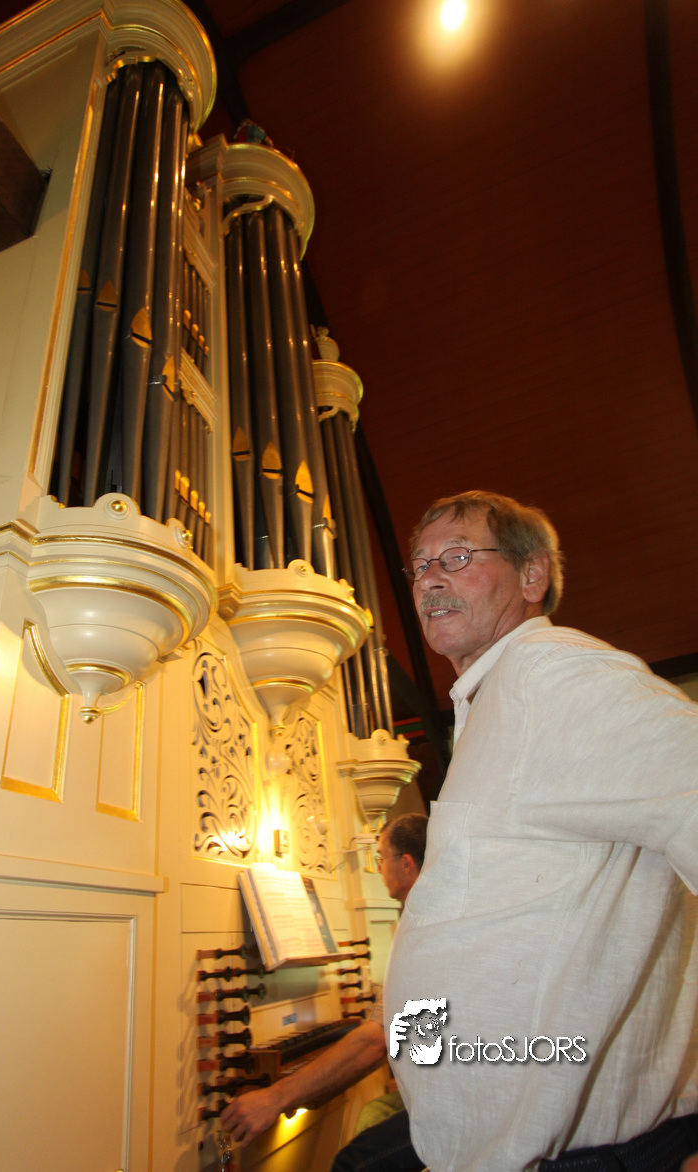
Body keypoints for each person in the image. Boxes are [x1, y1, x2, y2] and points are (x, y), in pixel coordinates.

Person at [385, 490, 698, 1172]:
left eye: (458, 557)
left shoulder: (549, 673)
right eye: (419, 565)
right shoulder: (492, 700)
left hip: (589, 1156)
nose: (429, 580)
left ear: (533, 576)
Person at [220, 813, 427, 1170]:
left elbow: (376, 1040)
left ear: (406, 864)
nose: (378, 868)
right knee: (374, 1114)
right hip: (464, 1082)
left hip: (465, 1098)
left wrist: (275, 1097)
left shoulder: (422, 930)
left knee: (353, 1163)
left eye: (381, 857)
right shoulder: (429, 915)